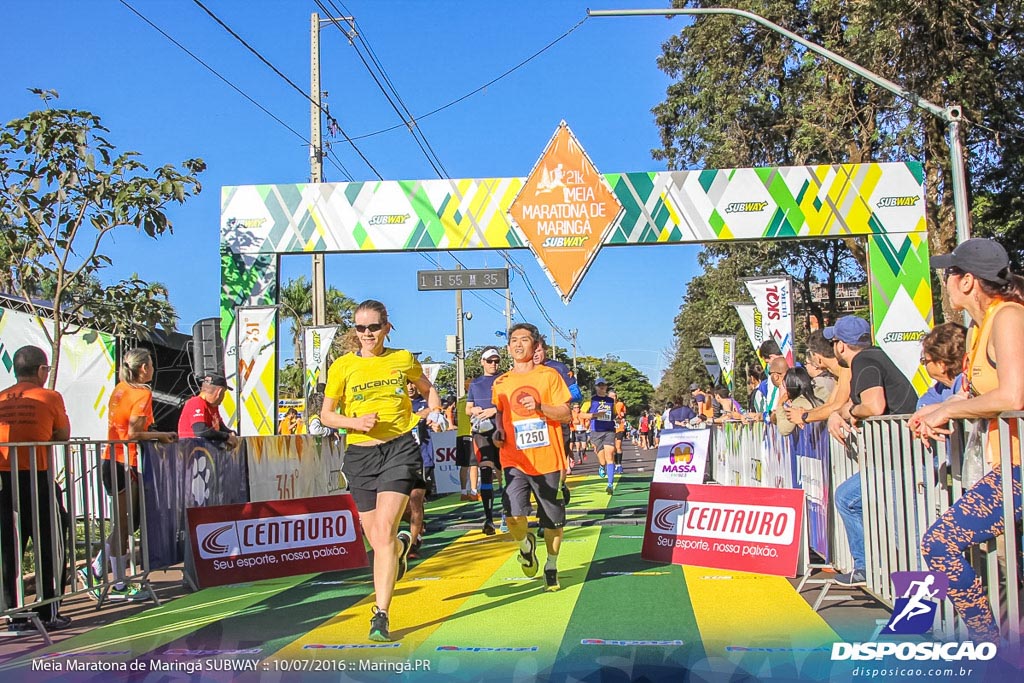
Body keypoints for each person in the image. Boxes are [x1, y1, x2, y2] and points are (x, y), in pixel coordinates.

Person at [908, 238, 1024, 643]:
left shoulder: (1009, 316)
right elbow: (975, 392)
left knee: (940, 543)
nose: (946, 281)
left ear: (969, 280)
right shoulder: (982, 325)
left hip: (1018, 468)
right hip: (1004, 464)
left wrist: (949, 410)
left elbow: (1013, 395)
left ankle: (987, 644)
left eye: (949, 273)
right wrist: (932, 410)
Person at [320, 299, 441, 642]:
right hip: (360, 455)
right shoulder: (342, 366)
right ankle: (402, 550)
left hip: (399, 449)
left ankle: (381, 614)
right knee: (378, 540)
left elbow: (428, 389)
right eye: (361, 328)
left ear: (387, 327)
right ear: (355, 331)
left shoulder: (402, 359)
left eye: (373, 327)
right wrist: (355, 422)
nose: (367, 334)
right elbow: (326, 415)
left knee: (386, 528)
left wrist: (430, 410)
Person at [826, 315, 917, 586]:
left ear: (841, 346)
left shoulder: (864, 361)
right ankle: (867, 568)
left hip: (900, 459)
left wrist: (851, 410)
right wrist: (841, 412)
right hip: (892, 457)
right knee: (846, 497)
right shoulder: (875, 357)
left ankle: (927, 612)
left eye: (834, 342)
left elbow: (874, 406)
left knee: (907, 532)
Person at [84, 347, 176, 602]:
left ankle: (100, 567)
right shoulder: (140, 393)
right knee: (124, 524)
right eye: (151, 365)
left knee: (129, 523)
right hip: (124, 462)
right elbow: (133, 434)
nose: (154, 370)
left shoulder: (120, 389)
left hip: (114, 460)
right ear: (143, 368)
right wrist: (161, 435)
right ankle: (117, 583)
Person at [491, 323, 571, 592]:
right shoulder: (501, 382)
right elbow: (500, 415)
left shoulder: (549, 376)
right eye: (513, 340)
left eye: (524, 340)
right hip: (514, 459)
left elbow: (565, 414)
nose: (517, 345)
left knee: (552, 519)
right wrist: (498, 432)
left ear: (535, 345)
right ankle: (526, 546)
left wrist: (540, 407)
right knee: (513, 514)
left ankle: (551, 564)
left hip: (547, 458)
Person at [1, 346, 72, 631]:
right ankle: (48, 611)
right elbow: (63, 435)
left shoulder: (1, 398)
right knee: (50, 545)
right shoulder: (50, 397)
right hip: (38, 477)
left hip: (5, 481)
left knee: (9, 548)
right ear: (42, 370)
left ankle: (13, 613)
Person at [466, 348, 505, 535]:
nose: (493, 364)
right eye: (490, 361)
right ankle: (489, 518)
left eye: (496, 361)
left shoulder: (505, 379)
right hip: (481, 432)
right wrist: (475, 411)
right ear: (482, 362)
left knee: (504, 472)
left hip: (502, 431)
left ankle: (507, 514)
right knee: (486, 469)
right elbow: (468, 408)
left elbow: (511, 404)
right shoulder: (475, 383)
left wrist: (494, 410)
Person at [177, 373, 239, 448]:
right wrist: (226, 437)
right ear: (219, 392)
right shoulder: (196, 402)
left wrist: (232, 433)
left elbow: (221, 427)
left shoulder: (212, 407)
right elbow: (200, 431)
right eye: (223, 393)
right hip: (192, 453)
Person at [916, 322, 967, 409]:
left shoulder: (966, 382)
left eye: (925, 361)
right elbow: (923, 405)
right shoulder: (941, 388)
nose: (924, 365)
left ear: (941, 365)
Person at [581, 378, 617, 494]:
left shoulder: (611, 401)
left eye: (603, 385)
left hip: (609, 431)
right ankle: (602, 466)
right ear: (596, 387)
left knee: (610, 455)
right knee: (602, 459)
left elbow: (614, 414)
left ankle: (610, 484)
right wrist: (595, 415)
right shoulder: (590, 401)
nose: (601, 387)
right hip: (596, 431)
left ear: (606, 387)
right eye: (599, 385)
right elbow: (581, 415)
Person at [610, 390, 627, 472]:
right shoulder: (605, 405)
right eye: (611, 396)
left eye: (614, 396)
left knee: (618, 446)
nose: (613, 398)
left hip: (619, 427)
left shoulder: (620, 404)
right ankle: (613, 464)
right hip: (609, 428)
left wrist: (622, 416)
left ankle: (619, 465)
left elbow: (624, 413)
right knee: (612, 448)